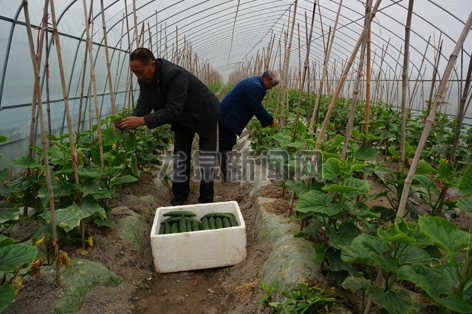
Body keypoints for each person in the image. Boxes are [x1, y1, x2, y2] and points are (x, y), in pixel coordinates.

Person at [116, 48, 219, 206]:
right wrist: (133, 118)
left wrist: (141, 121)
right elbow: (145, 102)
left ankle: (205, 199)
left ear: (152, 64)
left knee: (206, 157)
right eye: (134, 72)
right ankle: (180, 195)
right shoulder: (144, 79)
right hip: (183, 117)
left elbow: (172, 110)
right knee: (180, 154)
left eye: (140, 71)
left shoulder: (174, 75)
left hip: (204, 112)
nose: (138, 76)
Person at [218, 70, 279, 180]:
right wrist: (270, 120)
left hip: (231, 114)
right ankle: (226, 173)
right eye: (272, 85)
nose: (271, 88)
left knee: (229, 142)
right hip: (228, 116)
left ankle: (226, 169)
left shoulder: (254, 82)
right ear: (268, 79)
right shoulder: (255, 86)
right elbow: (258, 109)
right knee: (226, 144)